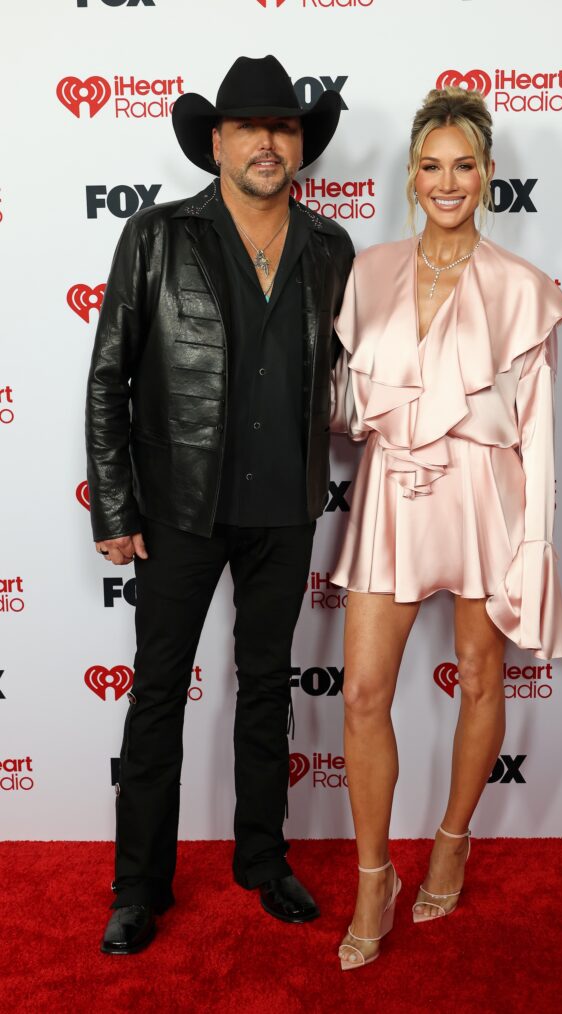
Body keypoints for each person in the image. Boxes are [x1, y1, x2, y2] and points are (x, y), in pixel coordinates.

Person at [85, 54, 354, 955]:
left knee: (266, 686)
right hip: (176, 510)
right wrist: (115, 505)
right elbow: (107, 379)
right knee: (158, 693)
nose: (268, 142)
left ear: (300, 146)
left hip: (285, 507)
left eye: (283, 127)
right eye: (249, 128)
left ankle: (263, 860)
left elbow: (351, 374)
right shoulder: (157, 236)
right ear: (216, 142)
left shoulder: (330, 248)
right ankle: (137, 888)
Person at [330, 86, 562, 970]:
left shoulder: (520, 289)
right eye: (431, 166)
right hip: (394, 492)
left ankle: (452, 838)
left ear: (489, 175)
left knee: (479, 676)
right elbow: (345, 404)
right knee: (362, 692)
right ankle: (372, 876)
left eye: (463, 166)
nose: (447, 181)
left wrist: (534, 551)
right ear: (410, 174)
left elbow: (541, 434)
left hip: (484, 497)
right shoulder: (369, 271)